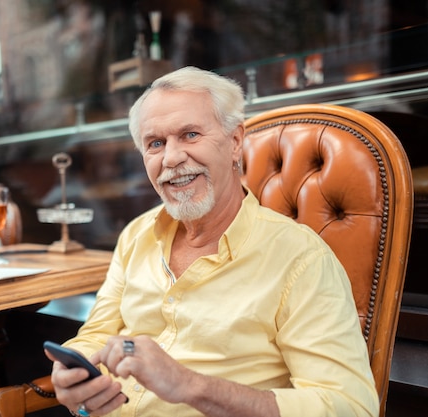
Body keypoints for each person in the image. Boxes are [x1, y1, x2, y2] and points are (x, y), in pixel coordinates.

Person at [46, 67, 379, 417]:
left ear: (235, 142)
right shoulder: (136, 235)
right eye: (155, 143)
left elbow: (351, 407)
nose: (171, 159)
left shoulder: (300, 259)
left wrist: (191, 386)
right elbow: (97, 333)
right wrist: (75, 370)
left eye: (190, 135)